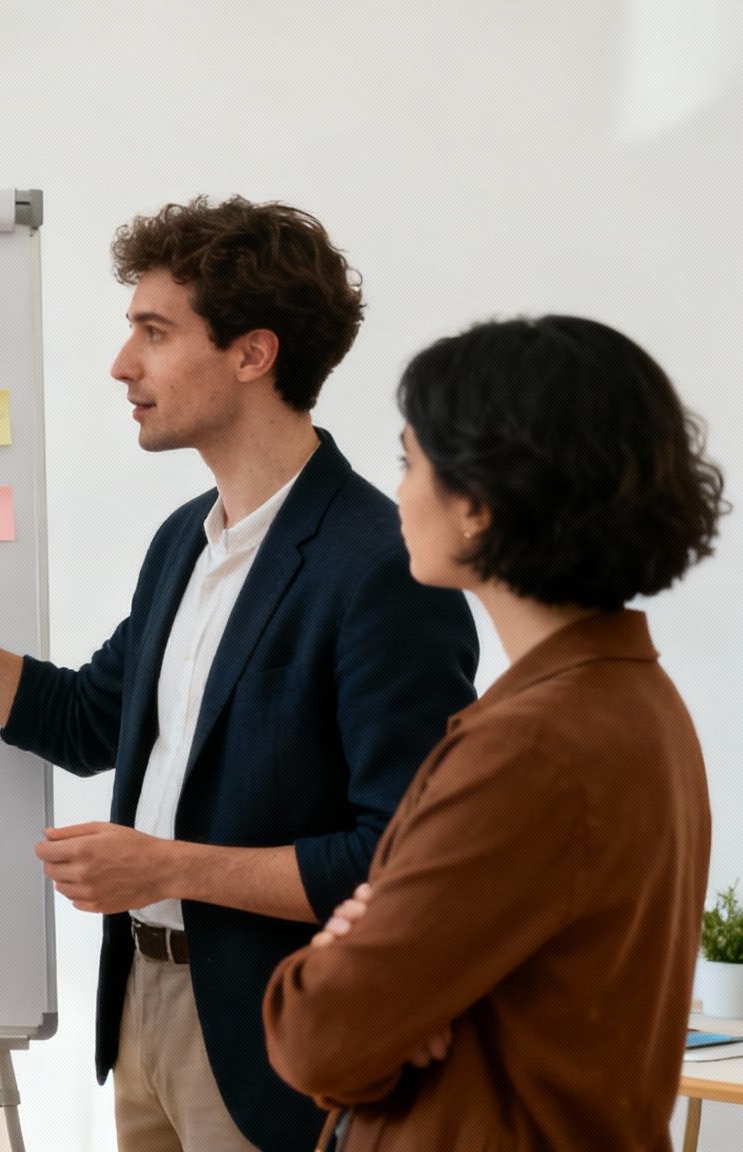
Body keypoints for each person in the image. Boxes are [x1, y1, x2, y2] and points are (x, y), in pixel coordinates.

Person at [0, 196, 479, 1151]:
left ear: (252, 354)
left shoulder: (380, 566)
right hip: (141, 1006)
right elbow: (82, 720)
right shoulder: (180, 545)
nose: (122, 365)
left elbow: (396, 863)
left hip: (277, 1042)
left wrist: (166, 867)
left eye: (154, 332)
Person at [264, 316, 723, 1149]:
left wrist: (341, 951)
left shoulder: (535, 745)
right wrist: (390, 998)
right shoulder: (632, 698)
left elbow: (319, 1037)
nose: (397, 491)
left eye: (411, 463)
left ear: (476, 503)